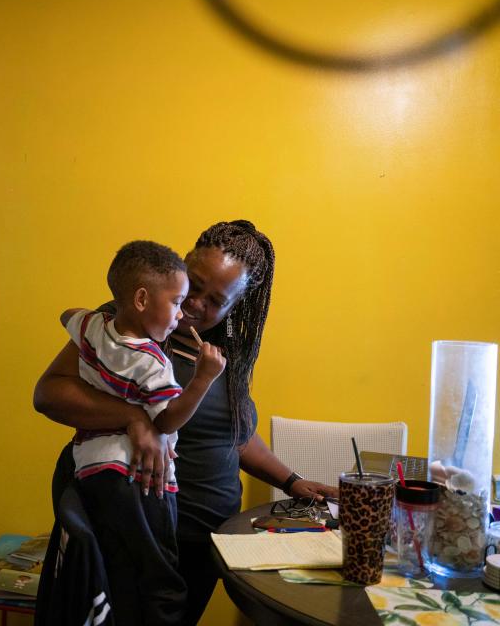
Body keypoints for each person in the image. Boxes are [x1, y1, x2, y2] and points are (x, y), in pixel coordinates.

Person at [34, 220, 339, 625]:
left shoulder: (223, 355)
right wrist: (132, 418)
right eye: (193, 285)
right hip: (138, 533)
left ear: (233, 310)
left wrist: (290, 480)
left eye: (216, 300)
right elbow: (49, 392)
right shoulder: (128, 325)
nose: (195, 304)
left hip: (207, 541)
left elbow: (235, 437)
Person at [58, 240, 226, 624]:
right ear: (141, 299)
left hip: (92, 471)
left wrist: (95, 318)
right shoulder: (153, 362)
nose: (184, 314)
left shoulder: (93, 326)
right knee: (159, 574)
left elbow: (66, 314)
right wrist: (203, 378)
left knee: (119, 571)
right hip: (138, 480)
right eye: (179, 301)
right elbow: (166, 421)